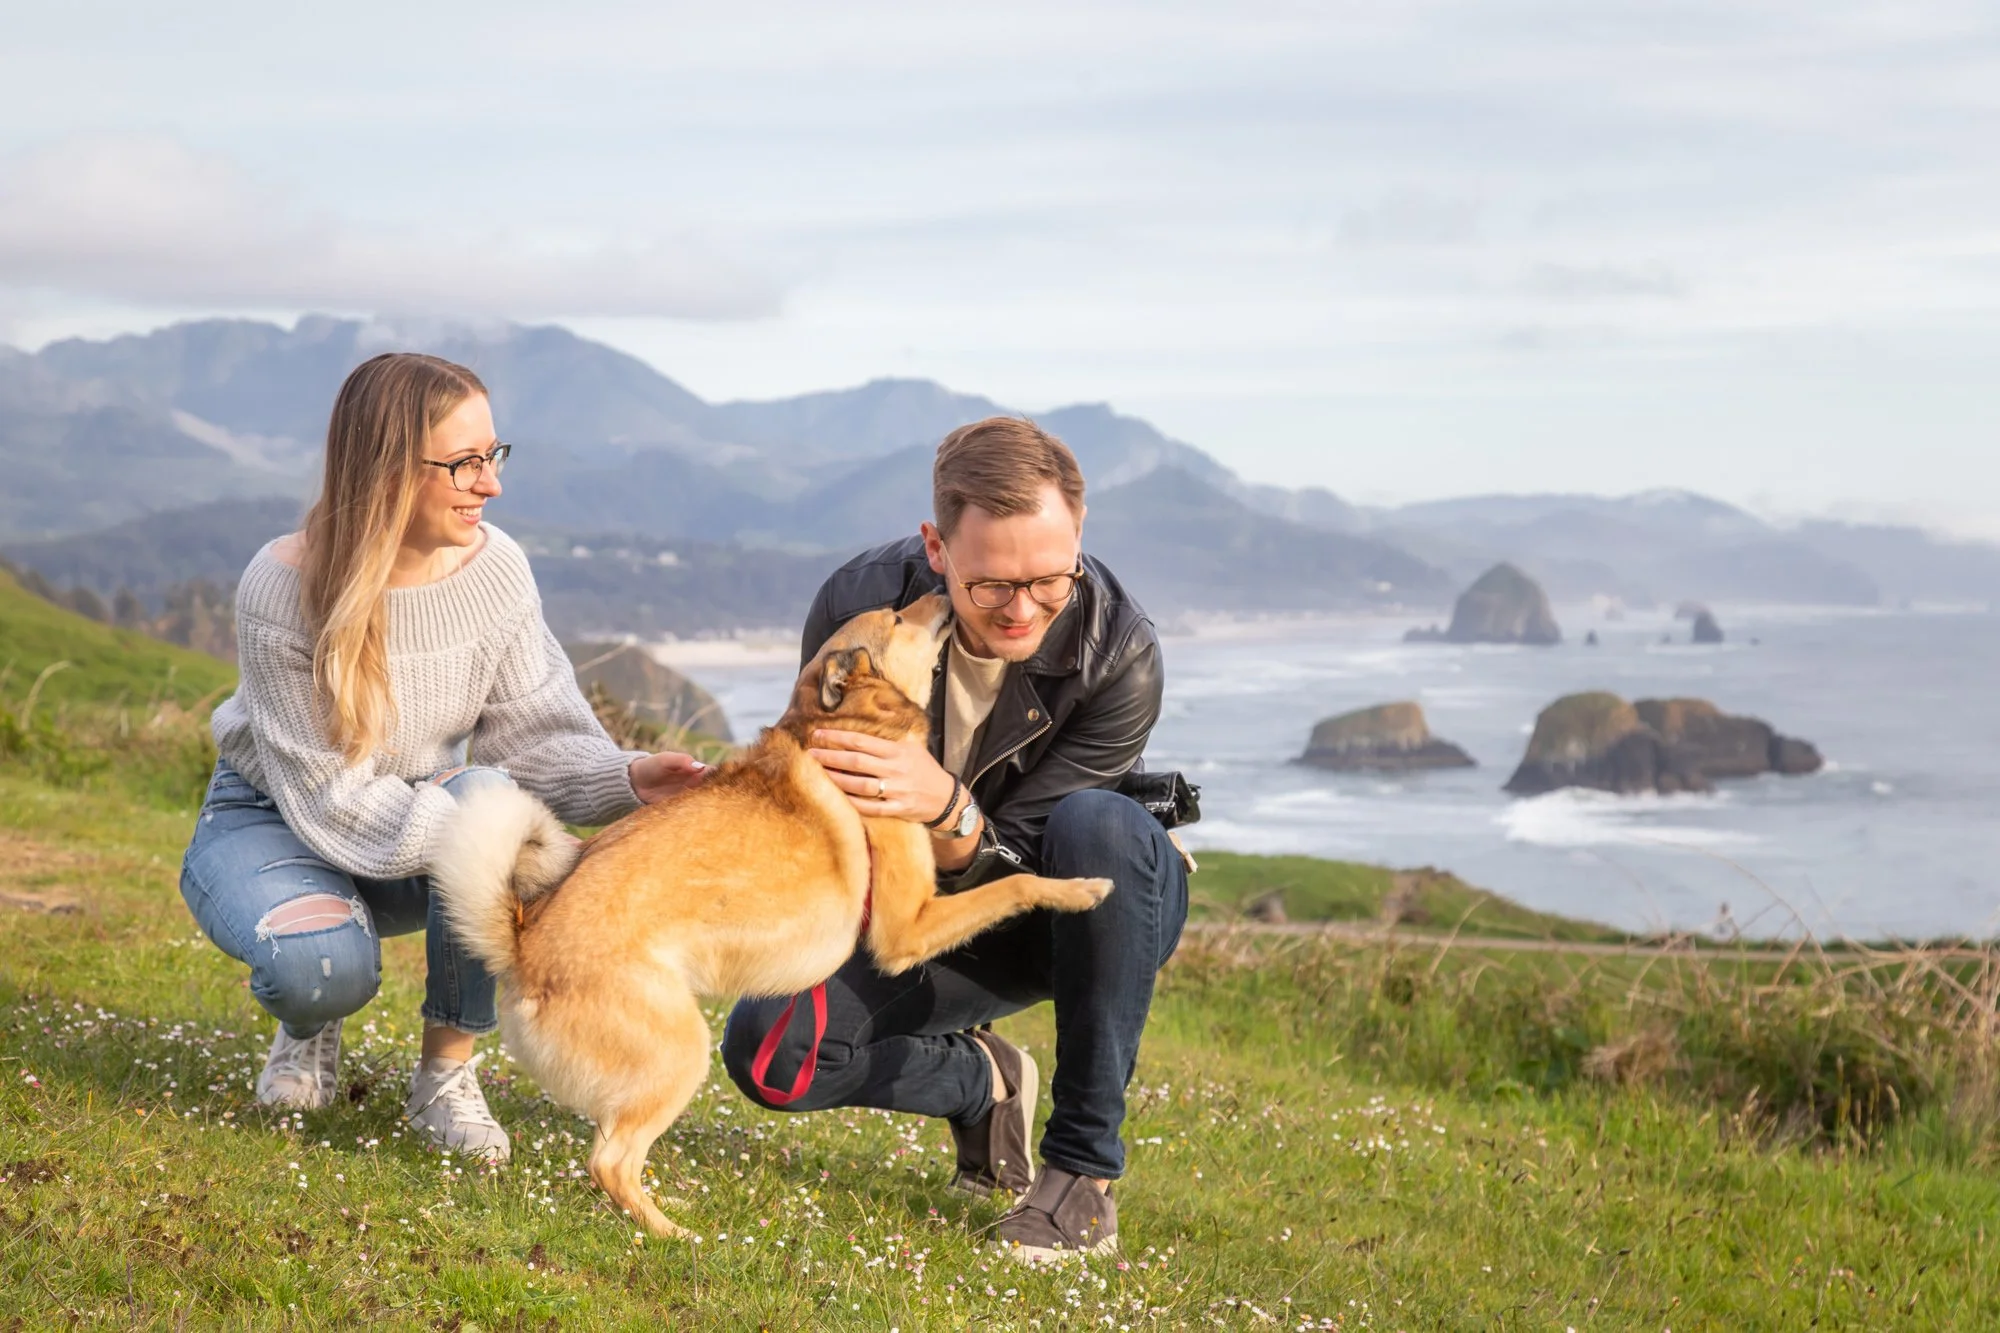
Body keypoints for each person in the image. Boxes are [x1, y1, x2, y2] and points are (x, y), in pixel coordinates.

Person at [178, 353, 709, 1161]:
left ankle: (444, 1075)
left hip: (406, 816)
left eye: (494, 455)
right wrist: (486, 834)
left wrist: (628, 776)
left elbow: (532, 736)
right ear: (386, 465)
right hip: (272, 817)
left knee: (485, 797)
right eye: (464, 462)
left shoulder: (496, 571)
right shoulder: (279, 586)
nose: (490, 484)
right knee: (324, 968)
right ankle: (308, 1024)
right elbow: (326, 796)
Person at [722, 416, 1190, 1262]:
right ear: (937, 547)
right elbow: (821, 794)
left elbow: (1037, 848)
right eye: (992, 585)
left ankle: (1081, 1175)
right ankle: (984, 1083)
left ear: (1079, 533)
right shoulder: (855, 608)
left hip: (1083, 906)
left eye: (1051, 580)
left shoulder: (1121, 653)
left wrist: (949, 809)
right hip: (923, 907)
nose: (1024, 610)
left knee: (1099, 821)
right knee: (770, 1056)